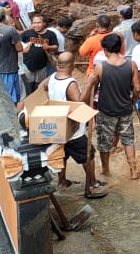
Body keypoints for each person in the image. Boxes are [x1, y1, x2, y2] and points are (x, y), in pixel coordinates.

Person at [42, 52, 107, 198]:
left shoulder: (52, 78)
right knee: (89, 155)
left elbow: (43, 87)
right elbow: (79, 103)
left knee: (62, 155)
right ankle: (92, 183)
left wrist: (51, 103)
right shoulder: (70, 83)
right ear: (72, 65)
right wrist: (89, 84)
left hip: (58, 127)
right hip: (73, 130)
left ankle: (62, 181)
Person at [84, 33, 139, 180]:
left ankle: (106, 170)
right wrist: (133, 100)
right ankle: (133, 170)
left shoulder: (100, 67)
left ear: (105, 50)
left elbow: (94, 89)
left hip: (106, 111)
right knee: (128, 139)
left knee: (104, 142)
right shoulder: (131, 64)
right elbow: (137, 89)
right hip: (125, 109)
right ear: (120, 48)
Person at [0, 6, 24, 103]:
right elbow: (19, 48)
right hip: (9, 69)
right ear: (4, 17)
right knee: (11, 99)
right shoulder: (10, 30)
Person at [20, 14, 59, 94]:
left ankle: (38, 98)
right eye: (34, 23)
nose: (36, 25)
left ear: (44, 23)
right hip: (27, 65)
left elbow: (56, 47)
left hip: (42, 66)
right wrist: (25, 45)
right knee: (28, 85)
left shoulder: (50, 34)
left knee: (39, 85)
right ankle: (28, 99)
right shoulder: (27, 33)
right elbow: (19, 44)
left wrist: (48, 47)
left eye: (39, 23)